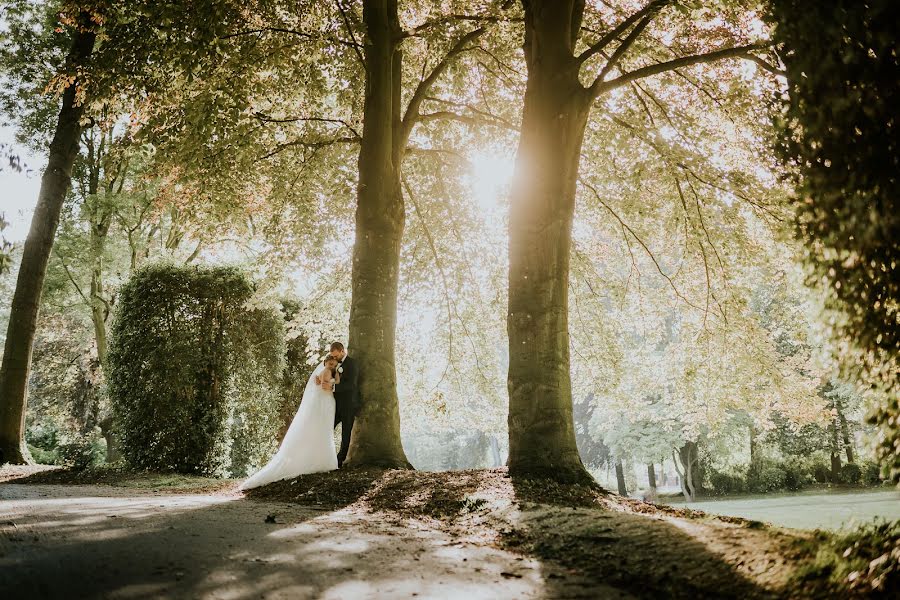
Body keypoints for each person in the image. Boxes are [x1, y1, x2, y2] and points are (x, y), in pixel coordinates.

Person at [239, 355, 339, 490]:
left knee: (322, 429)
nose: (332, 366)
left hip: (324, 401)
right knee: (323, 429)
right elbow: (324, 386)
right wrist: (334, 382)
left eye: (333, 364)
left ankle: (320, 459)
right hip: (325, 400)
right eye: (330, 364)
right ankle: (323, 461)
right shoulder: (326, 371)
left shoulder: (323, 371)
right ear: (326, 362)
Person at [318, 341, 358, 468]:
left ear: (342, 351)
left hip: (349, 405)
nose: (334, 359)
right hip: (335, 405)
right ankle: (322, 456)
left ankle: (339, 462)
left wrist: (333, 387)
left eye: (336, 356)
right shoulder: (333, 363)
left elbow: (351, 384)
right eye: (332, 356)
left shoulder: (352, 364)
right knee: (327, 428)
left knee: (346, 434)